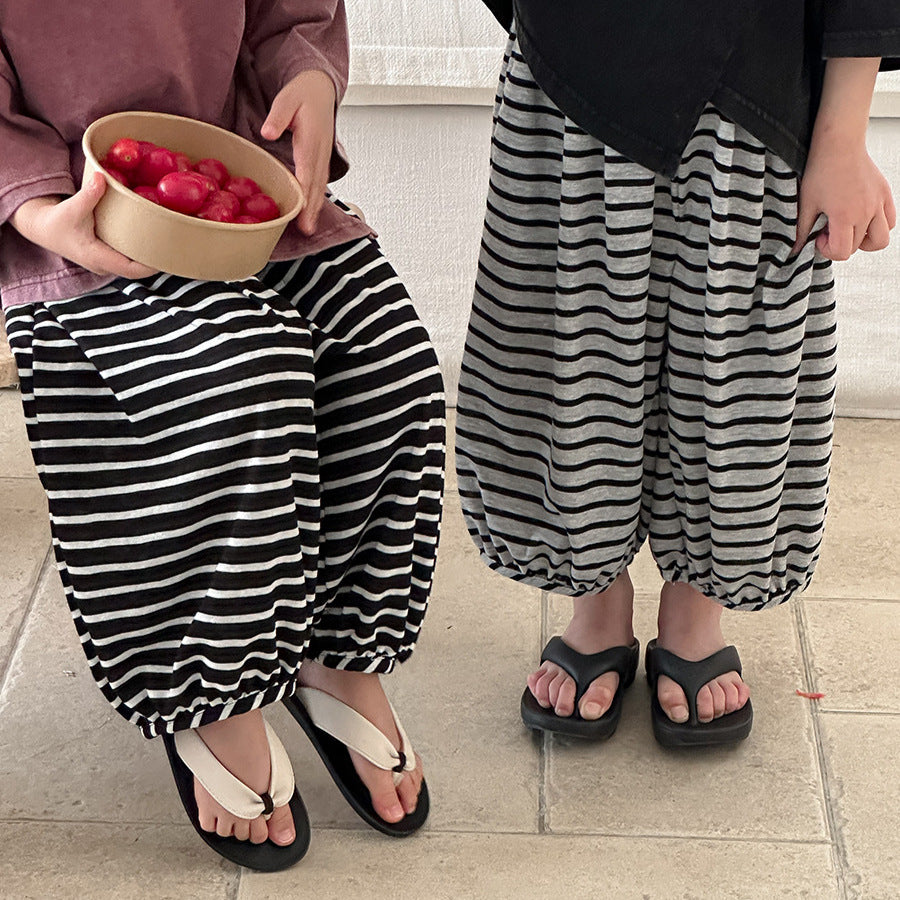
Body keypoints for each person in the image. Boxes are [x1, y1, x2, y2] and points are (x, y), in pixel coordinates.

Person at [0, 0, 444, 870]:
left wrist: (306, 74)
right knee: (232, 384)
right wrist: (34, 210)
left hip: (232, 176)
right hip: (76, 216)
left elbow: (291, 13)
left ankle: (337, 652)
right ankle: (217, 692)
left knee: (386, 362)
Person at [460, 1, 898, 746]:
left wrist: (842, 134)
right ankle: (597, 596)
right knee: (574, 336)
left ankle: (697, 603)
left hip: (757, 76)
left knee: (731, 356)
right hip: (578, 51)